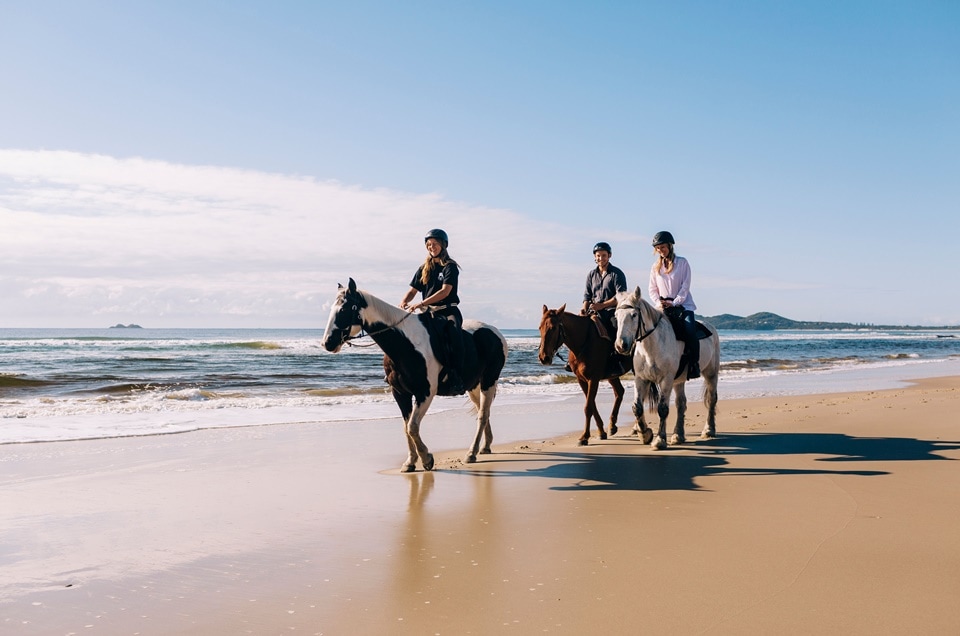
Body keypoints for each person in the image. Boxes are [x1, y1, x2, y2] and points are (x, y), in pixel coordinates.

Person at [400, 228, 466, 394]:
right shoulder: (424, 268)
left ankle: (456, 376)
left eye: (435, 244)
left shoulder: (450, 267)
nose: (431, 247)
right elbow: (413, 290)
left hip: (447, 311)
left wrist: (420, 303)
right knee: (405, 335)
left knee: (453, 337)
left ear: (443, 245)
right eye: (428, 244)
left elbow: (445, 291)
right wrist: (405, 301)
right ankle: (399, 372)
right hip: (428, 313)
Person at [648, 231, 700, 379]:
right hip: (662, 307)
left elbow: (685, 286)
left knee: (690, 330)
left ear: (670, 246)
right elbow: (652, 289)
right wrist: (659, 303)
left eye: (662, 247)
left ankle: (693, 364)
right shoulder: (655, 267)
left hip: (683, 306)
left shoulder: (683, 263)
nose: (660, 250)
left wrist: (674, 302)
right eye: (658, 248)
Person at [582, 241, 628, 336]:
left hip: (612, 312)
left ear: (609, 255)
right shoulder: (591, 275)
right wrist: (584, 309)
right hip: (594, 312)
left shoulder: (617, 273)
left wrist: (602, 305)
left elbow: (621, 296)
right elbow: (587, 296)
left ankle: (617, 351)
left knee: (615, 331)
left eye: (604, 255)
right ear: (595, 257)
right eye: (598, 256)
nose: (601, 258)